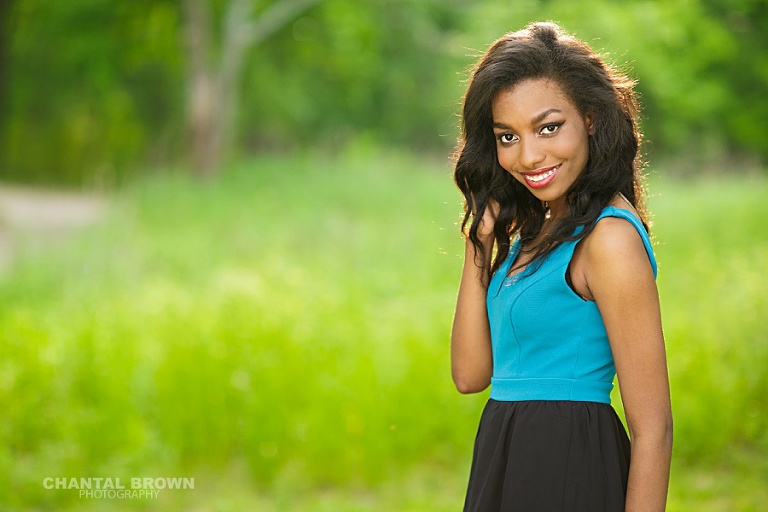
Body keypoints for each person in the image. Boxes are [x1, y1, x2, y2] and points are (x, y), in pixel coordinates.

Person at [450, 22, 673, 511]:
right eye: (507, 136)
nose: (529, 156)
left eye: (548, 127)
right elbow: (470, 375)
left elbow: (653, 429)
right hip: (504, 459)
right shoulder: (537, 231)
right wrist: (478, 246)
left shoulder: (608, 238)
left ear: (590, 118)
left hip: (570, 465)